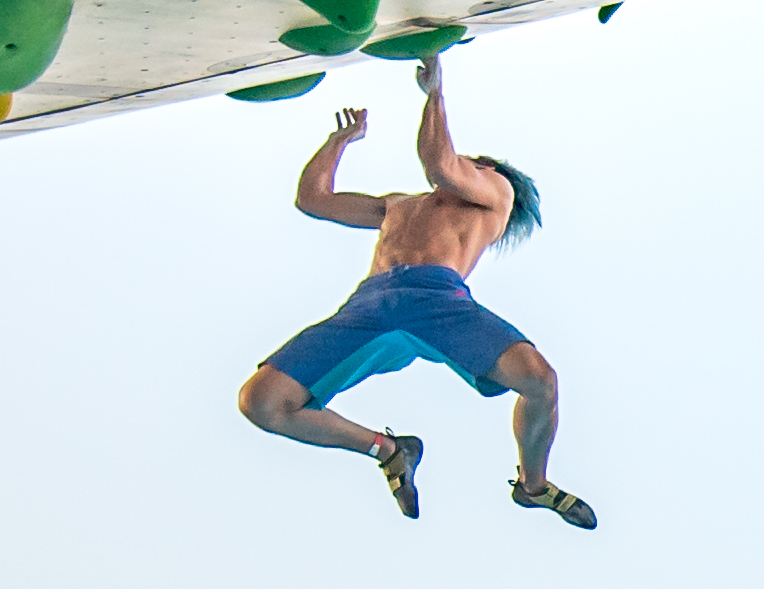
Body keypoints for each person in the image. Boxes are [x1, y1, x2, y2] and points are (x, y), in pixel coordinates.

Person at [243, 60, 591, 527]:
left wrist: (436, 95)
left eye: (472, 166)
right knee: (261, 402)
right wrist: (338, 142)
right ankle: (388, 450)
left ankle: (533, 485)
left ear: (485, 171)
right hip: (370, 305)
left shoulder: (495, 194)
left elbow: (440, 164)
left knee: (539, 381)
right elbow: (313, 200)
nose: (462, 168)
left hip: (439, 300)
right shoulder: (398, 206)